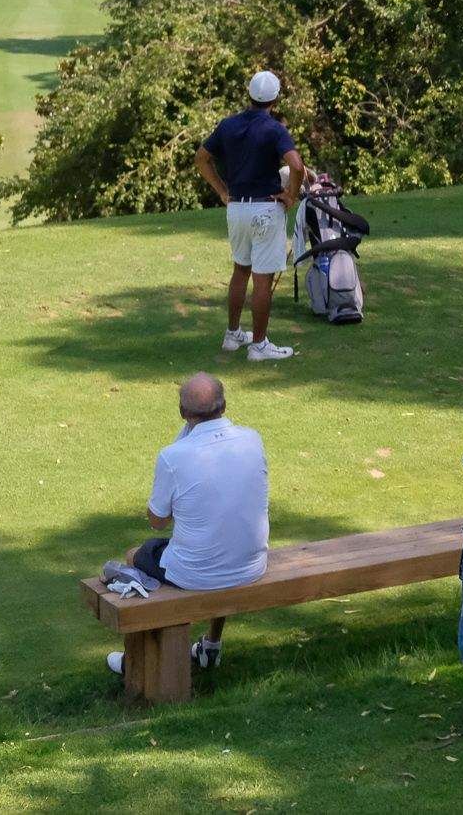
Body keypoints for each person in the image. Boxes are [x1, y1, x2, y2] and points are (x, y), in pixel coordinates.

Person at [106, 372, 269, 678]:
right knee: (216, 550)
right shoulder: (252, 438)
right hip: (251, 563)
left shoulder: (173, 456)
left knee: (135, 556)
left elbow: (157, 521)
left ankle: (135, 661)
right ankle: (211, 647)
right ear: (224, 405)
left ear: (183, 413)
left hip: (198, 573)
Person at [196, 71, 305, 361]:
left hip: (237, 208)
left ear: (249, 95)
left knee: (240, 269)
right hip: (265, 209)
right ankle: (258, 346)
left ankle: (233, 335)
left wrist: (221, 190)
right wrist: (291, 196)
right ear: (276, 98)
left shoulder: (229, 125)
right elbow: (296, 166)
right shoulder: (274, 129)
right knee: (262, 279)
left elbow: (201, 158)